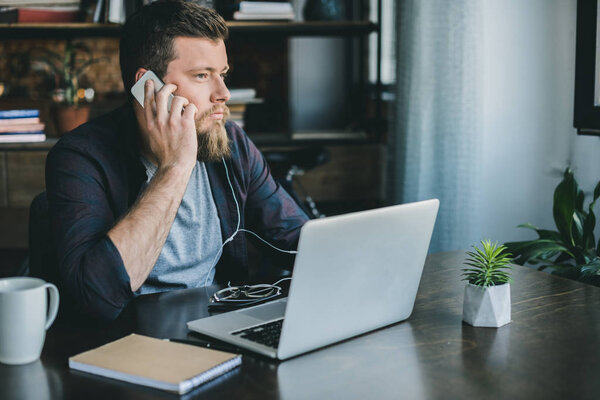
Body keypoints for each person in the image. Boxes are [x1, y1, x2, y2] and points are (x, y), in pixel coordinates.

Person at [45, 0, 309, 321]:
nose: (223, 93)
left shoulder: (231, 144)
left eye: (222, 74)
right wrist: (175, 167)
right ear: (148, 86)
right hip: (127, 343)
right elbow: (97, 297)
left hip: (218, 327)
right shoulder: (80, 157)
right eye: (202, 75)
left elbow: (297, 239)